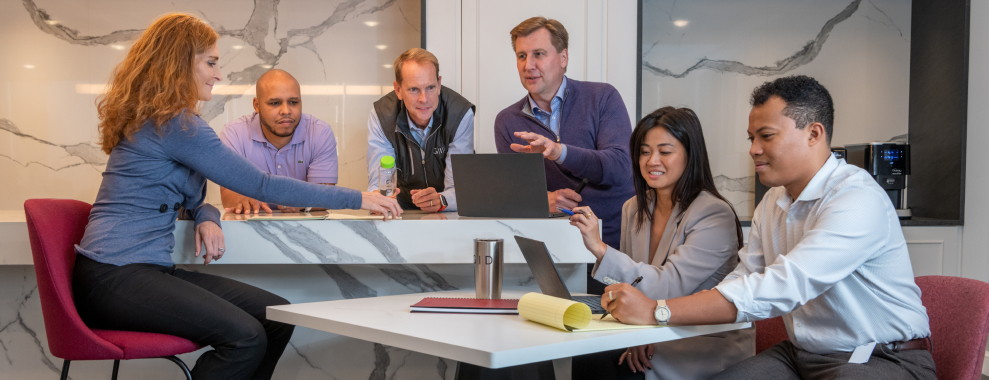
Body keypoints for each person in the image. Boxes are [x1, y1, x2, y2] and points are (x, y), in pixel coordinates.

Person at [72, 13, 401, 380]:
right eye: (211, 62)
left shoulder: (165, 121)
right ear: (181, 63)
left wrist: (207, 215)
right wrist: (359, 198)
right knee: (245, 338)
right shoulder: (176, 125)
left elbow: (190, 198)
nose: (218, 74)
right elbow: (260, 185)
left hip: (141, 271)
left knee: (274, 314)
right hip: (114, 278)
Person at [601, 76, 934, 379]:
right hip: (802, 354)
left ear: (813, 134)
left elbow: (786, 284)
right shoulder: (773, 201)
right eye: (751, 138)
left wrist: (658, 311)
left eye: (766, 136)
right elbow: (742, 280)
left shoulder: (856, 199)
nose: (753, 149)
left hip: (880, 358)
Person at [568, 107, 753, 379]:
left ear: (690, 156)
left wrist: (600, 248)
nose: (652, 161)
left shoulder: (714, 213)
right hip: (648, 330)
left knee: (599, 362)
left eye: (665, 152)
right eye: (644, 152)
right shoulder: (634, 207)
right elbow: (631, 289)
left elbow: (668, 287)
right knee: (582, 352)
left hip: (696, 341)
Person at [494, 16, 634, 250]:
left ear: (563, 58)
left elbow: (620, 167)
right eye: (522, 56)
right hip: (552, 246)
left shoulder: (602, 97)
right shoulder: (507, 121)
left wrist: (560, 152)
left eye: (538, 54)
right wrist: (542, 200)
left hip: (613, 243)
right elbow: (515, 194)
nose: (528, 65)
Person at [367, 48, 475, 212]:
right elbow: (381, 183)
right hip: (400, 211)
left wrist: (441, 200)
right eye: (414, 89)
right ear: (398, 90)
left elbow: (460, 188)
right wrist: (381, 200)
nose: (424, 99)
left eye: (430, 87)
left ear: (439, 84)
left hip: (447, 210)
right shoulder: (381, 116)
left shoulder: (460, 113)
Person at [220, 69, 339, 214]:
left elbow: (325, 195)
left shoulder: (319, 133)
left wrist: (301, 204)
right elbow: (228, 195)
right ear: (257, 105)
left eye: (293, 102)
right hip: (250, 225)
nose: (286, 111)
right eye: (275, 103)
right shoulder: (235, 133)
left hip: (306, 228)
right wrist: (240, 199)